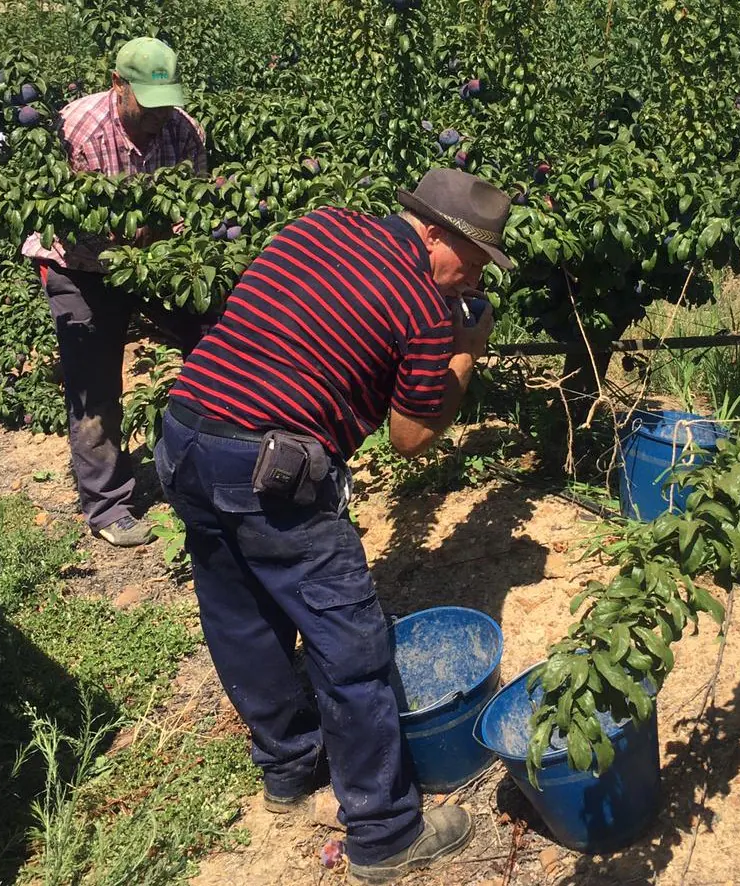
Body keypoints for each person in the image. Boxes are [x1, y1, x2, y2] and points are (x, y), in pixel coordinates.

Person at [155, 168, 509, 884]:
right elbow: (410, 438)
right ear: (433, 233)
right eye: (469, 262)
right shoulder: (422, 307)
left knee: (242, 617)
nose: (471, 279)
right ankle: (383, 833)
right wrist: (467, 351)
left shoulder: (322, 224)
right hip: (268, 469)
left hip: (184, 436)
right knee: (349, 647)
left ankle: (289, 769)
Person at [23, 37, 211, 547]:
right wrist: (119, 237)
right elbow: (52, 208)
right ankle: (108, 504)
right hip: (81, 267)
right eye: (148, 104)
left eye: (167, 101)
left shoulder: (184, 130)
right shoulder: (75, 129)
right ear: (117, 86)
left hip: (154, 267)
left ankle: (212, 466)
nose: (159, 116)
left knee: (215, 345)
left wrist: (170, 231)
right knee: (95, 383)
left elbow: (193, 206)